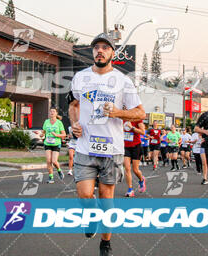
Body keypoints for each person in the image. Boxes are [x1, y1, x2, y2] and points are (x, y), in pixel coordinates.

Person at [68, 33, 145, 256]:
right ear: (92, 52)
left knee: (106, 199)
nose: (99, 51)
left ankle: (105, 243)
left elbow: (140, 112)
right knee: (84, 195)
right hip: (84, 146)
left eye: (104, 48)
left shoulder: (123, 81)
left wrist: (119, 112)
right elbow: (73, 105)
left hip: (111, 150)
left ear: (112, 53)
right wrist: (74, 124)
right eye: (96, 48)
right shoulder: (80, 77)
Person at [41, 107, 66, 183]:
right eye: (50, 111)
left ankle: (59, 170)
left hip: (56, 143)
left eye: (53, 111)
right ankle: (51, 177)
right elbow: (43, 132)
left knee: (54, 161)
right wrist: (40, 134)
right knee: (48, 161)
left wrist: (56, 135)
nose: (52, 112)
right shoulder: (46, 122)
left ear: (56, 113)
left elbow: (64, 134)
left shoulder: (59, 123)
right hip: (47, 143)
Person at [123, 120, 147, 197]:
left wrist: (132, 127)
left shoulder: (137, 119)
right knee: (127, 168)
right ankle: (130, 189)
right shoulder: (121, 119)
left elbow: (142, 132)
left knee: (135, 169)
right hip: (126, 146)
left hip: (136, 146)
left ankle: (141, 180)